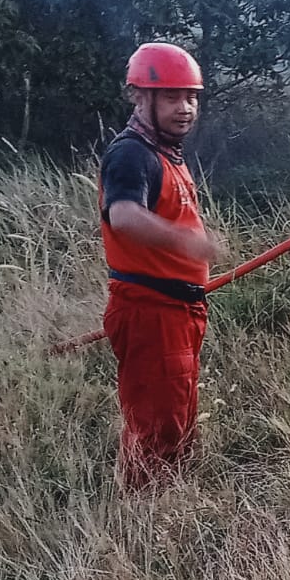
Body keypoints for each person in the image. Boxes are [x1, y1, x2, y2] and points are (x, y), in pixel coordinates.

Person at [99, 42, 226, 489]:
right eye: (172, 97)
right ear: (140, 96)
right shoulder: (131, 154)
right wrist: (186, 242)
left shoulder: (165, 152)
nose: (186, 108)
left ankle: (168, 513)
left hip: (178, 312)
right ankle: (142, 526)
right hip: (151, 311)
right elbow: (124, 215)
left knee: (176, 420)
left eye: (191, 97)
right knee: (157, 427)